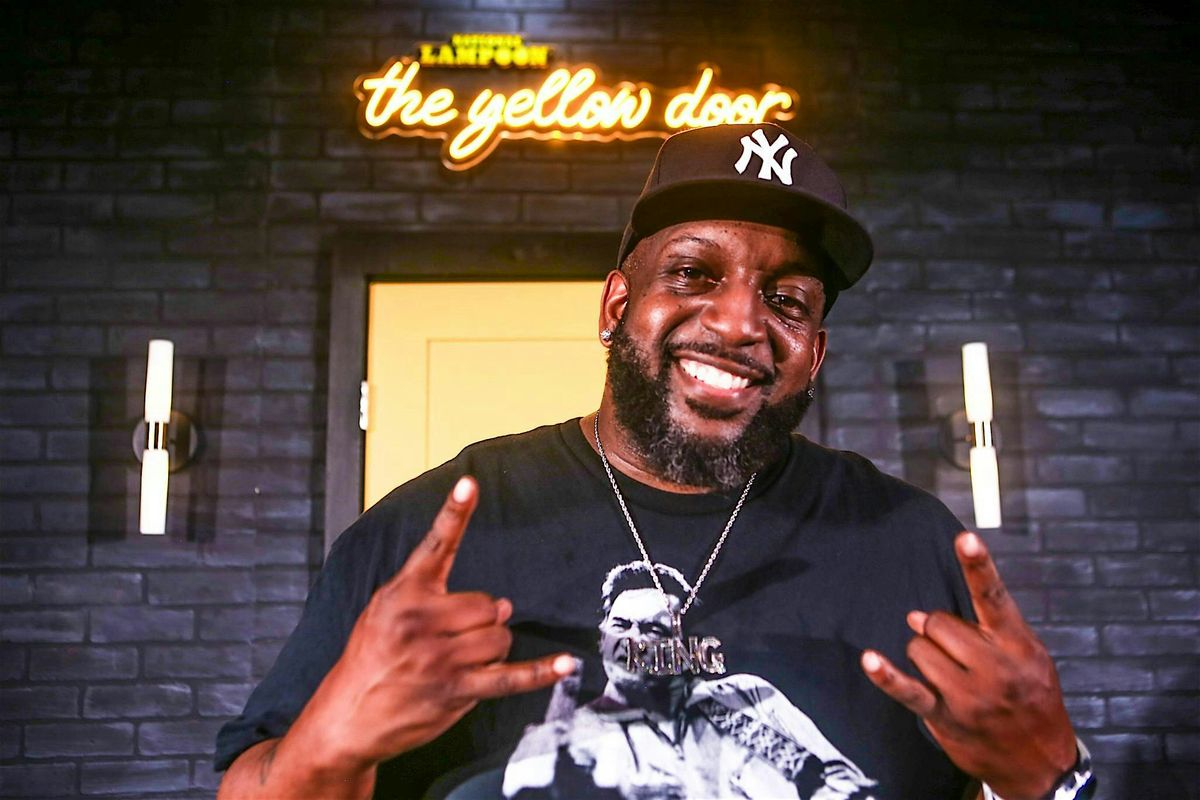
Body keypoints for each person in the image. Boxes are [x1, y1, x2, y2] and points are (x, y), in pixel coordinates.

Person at [214, 123, 1094, 800]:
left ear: (815, 353)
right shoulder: (426, 539)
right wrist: (326, 747)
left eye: (787, 299)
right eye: (694, 273)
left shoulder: (904, 546)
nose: (741, 323)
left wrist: (1050, 774)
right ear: (615, 307)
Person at [501, 561, 877, 799]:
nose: (634, 641)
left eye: (653, 629)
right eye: (621, 625)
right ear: (601, 636)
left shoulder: (747, 698)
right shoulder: (567, 739)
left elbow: (844, 783)